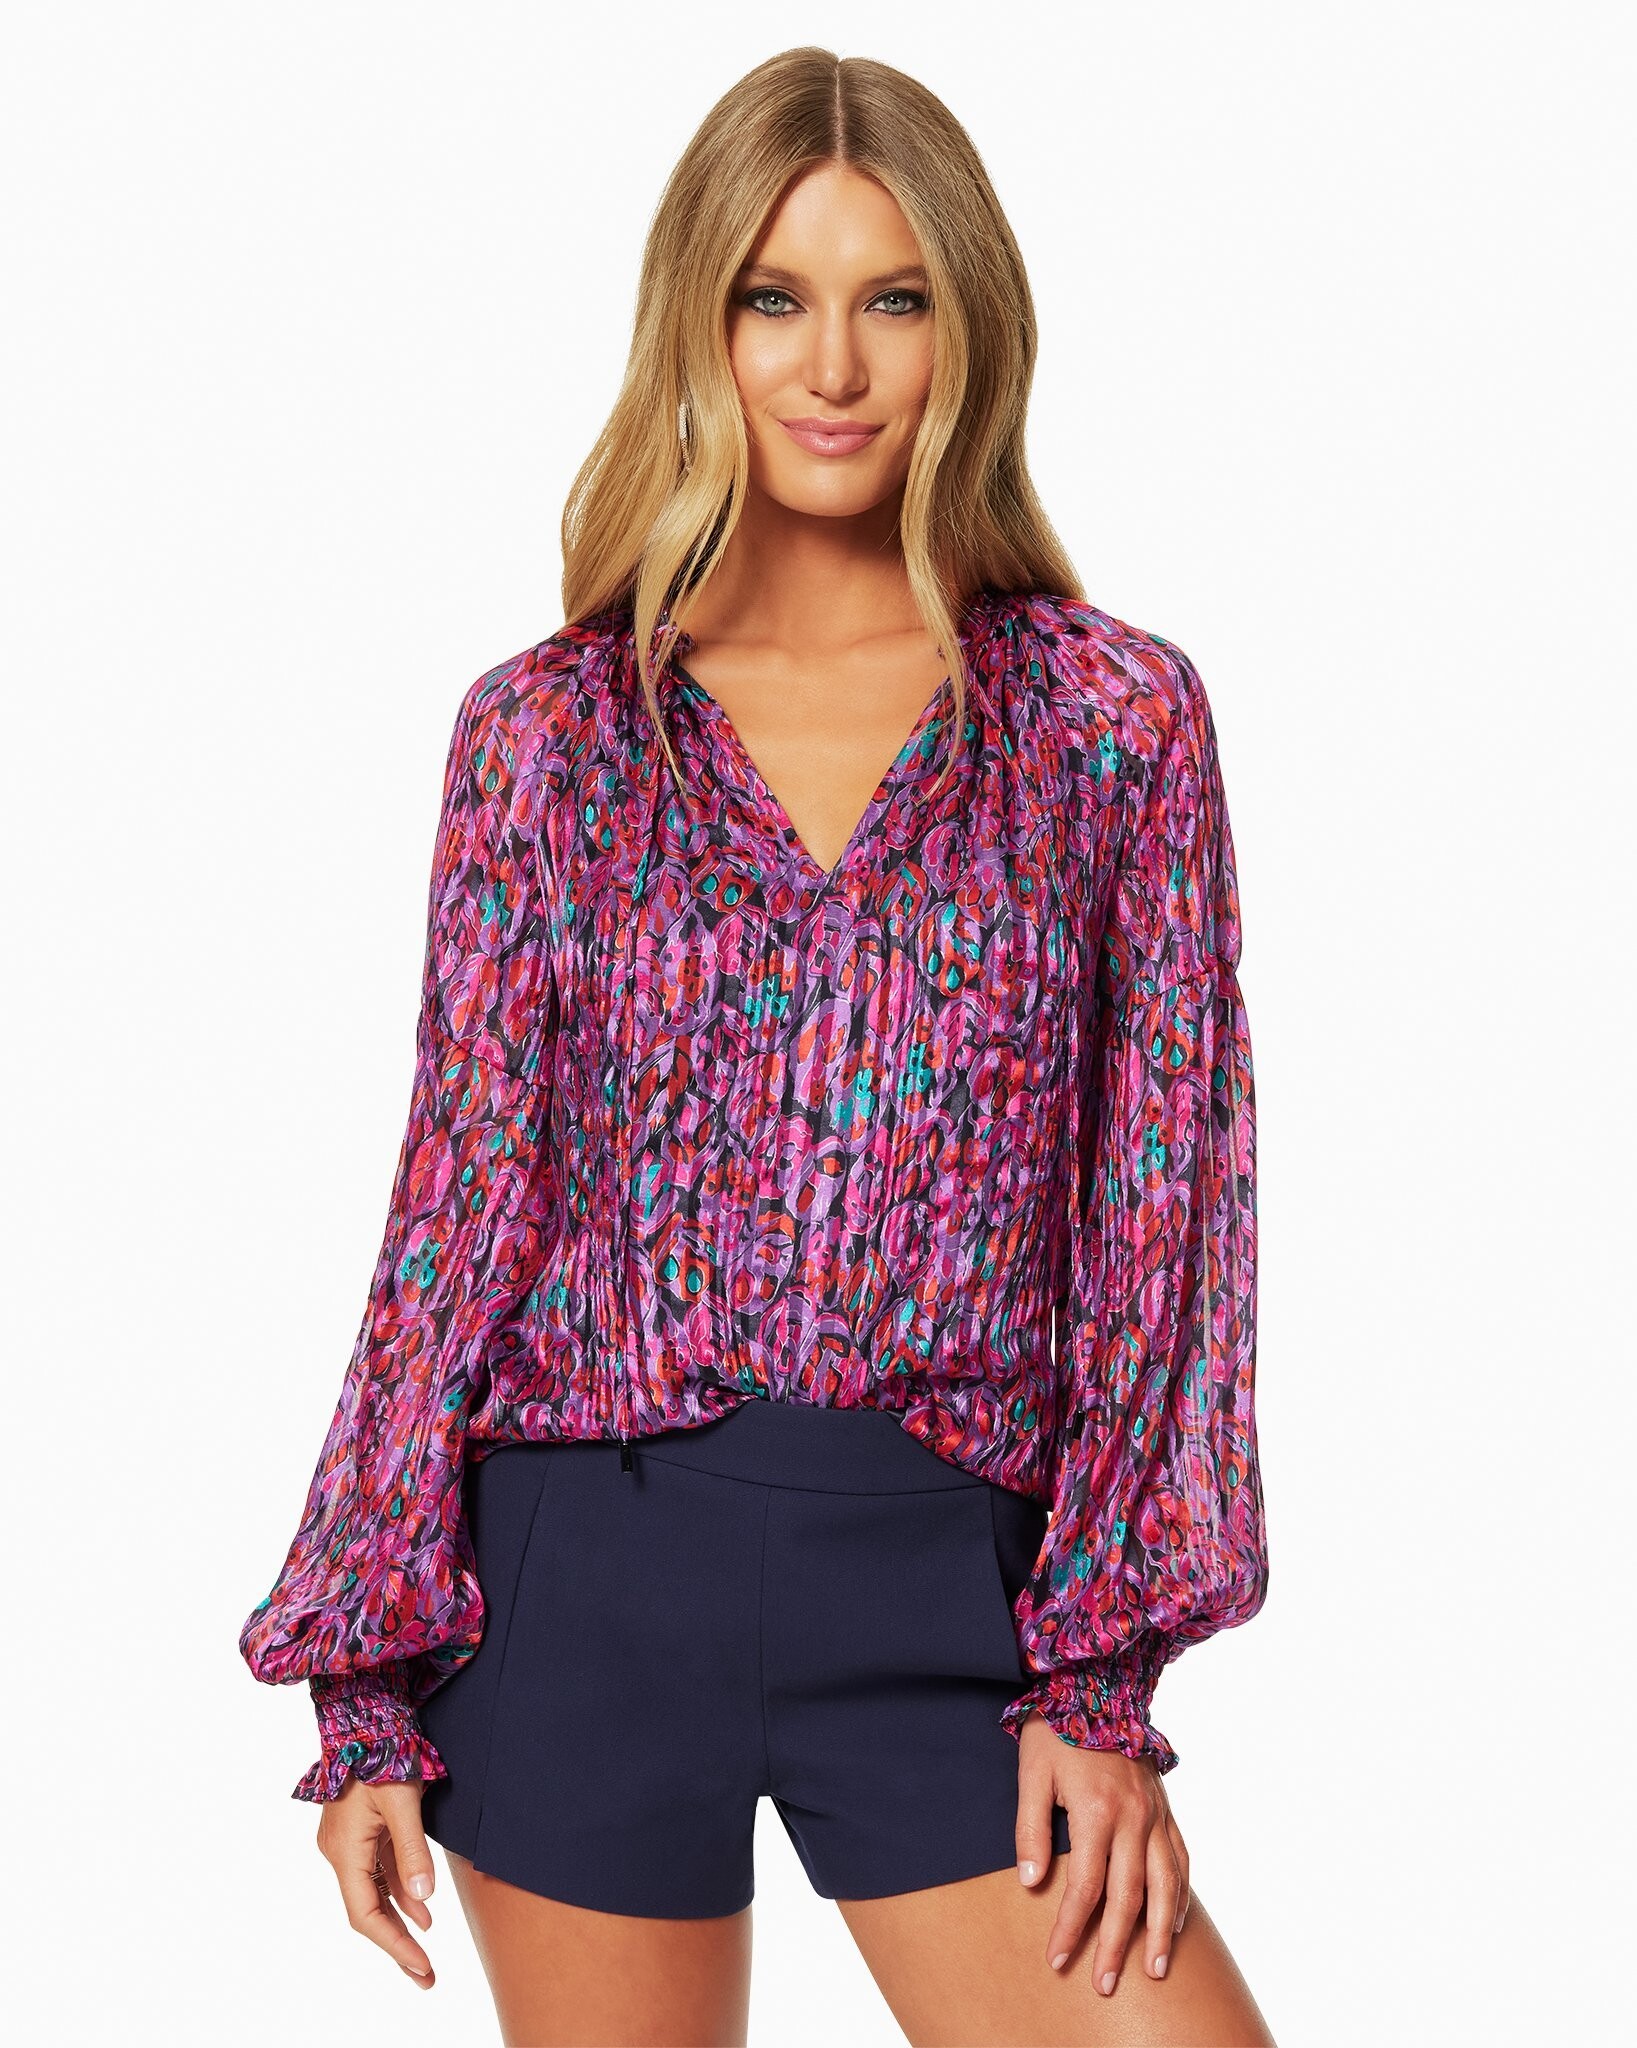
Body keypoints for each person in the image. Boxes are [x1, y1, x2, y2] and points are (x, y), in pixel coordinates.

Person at [238, 45, 1275, 2048]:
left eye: (895, 299)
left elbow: (1172, 1207)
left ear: (969, 330)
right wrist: (363, 1677)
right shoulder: (549, 733)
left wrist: (1098, 1679)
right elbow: (459, 1199)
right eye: (775, 297)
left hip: (957, 1600)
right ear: (698, 327)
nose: (835, 366)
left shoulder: (1108, 721)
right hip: (582, 1581)